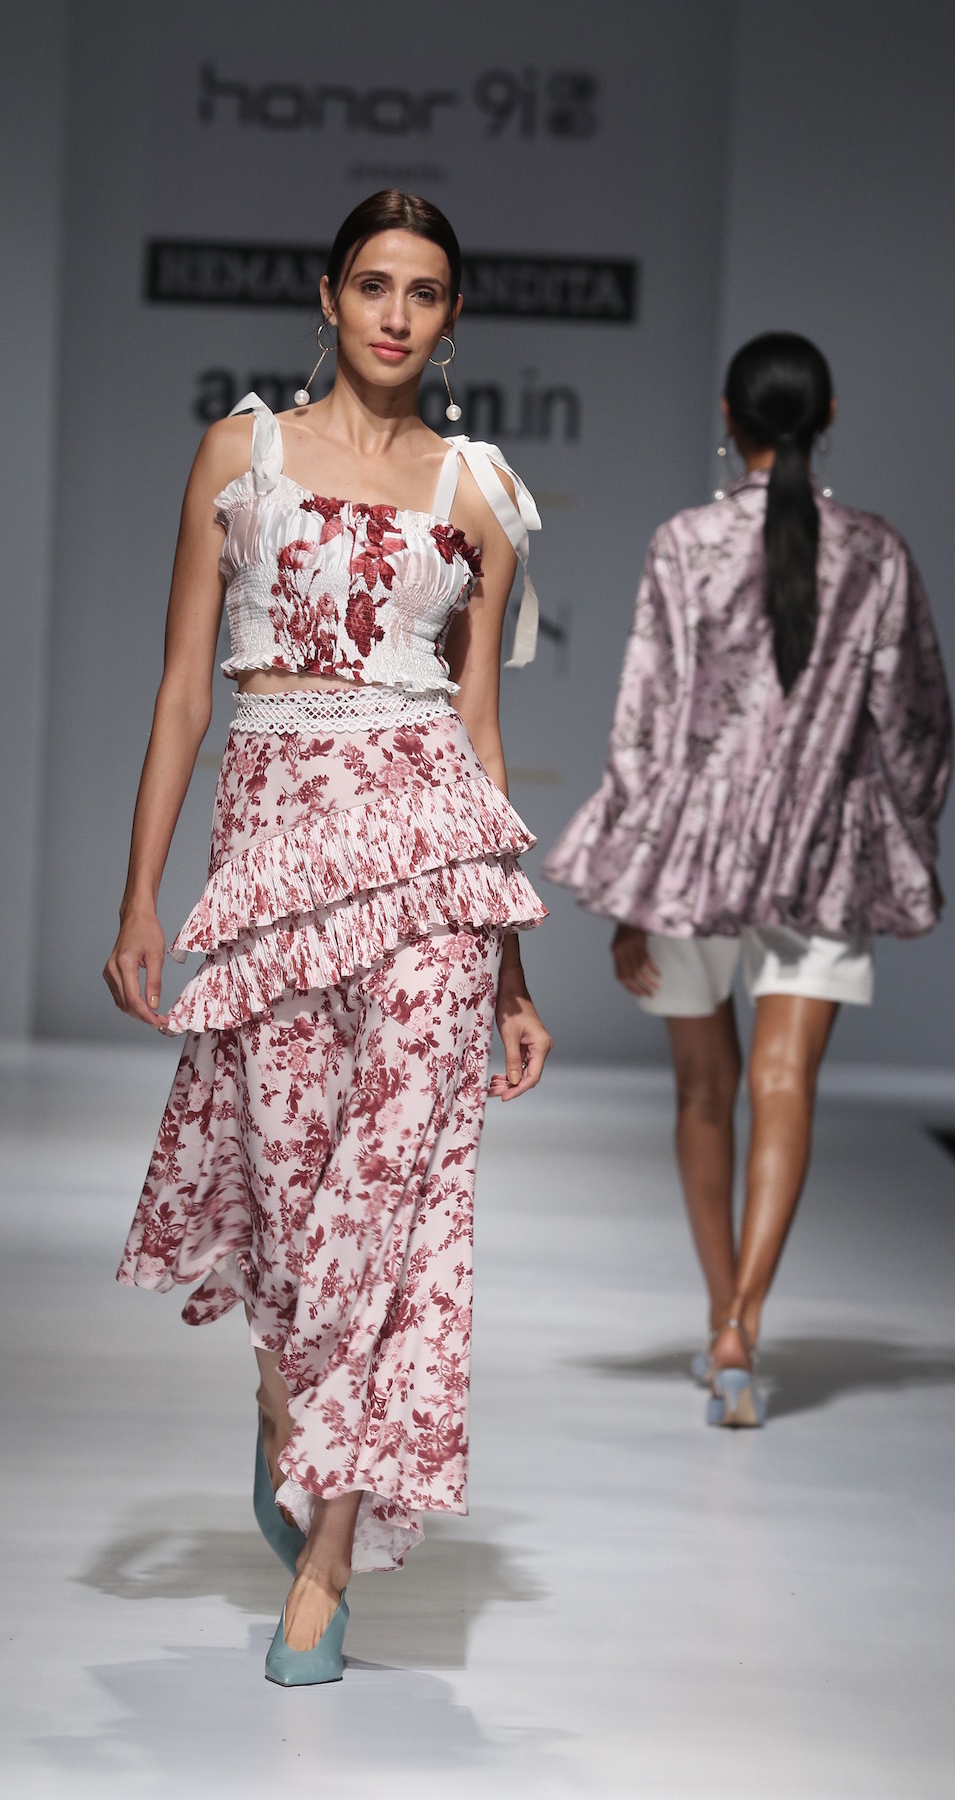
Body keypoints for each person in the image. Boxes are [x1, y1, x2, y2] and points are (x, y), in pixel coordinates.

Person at [104, 190, 552, 1685]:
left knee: (394, 1208)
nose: (396, 314)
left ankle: (330, 1560)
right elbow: (184, 690)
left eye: (424, 292)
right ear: (328, 296)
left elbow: (481, 733)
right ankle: (284, 1411)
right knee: (295, 1202)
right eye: (374, 284)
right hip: (275, 865)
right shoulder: (242, 456)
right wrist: (141, 896)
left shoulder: (478, 490)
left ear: (452, 317)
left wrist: (510, 964)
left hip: (431, 870)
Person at [545, 332, 951, 1428]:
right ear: (829, 415)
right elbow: (917, 718)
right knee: (784, 1083)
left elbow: (646, 719)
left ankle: (721, 1318)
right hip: (824, 850)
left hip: (694, 852)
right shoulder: (876, 551)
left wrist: (630, 886)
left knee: (702, 1088)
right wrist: (904, 829)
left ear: (729, 419)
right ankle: (742, 1325)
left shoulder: (684, 543)